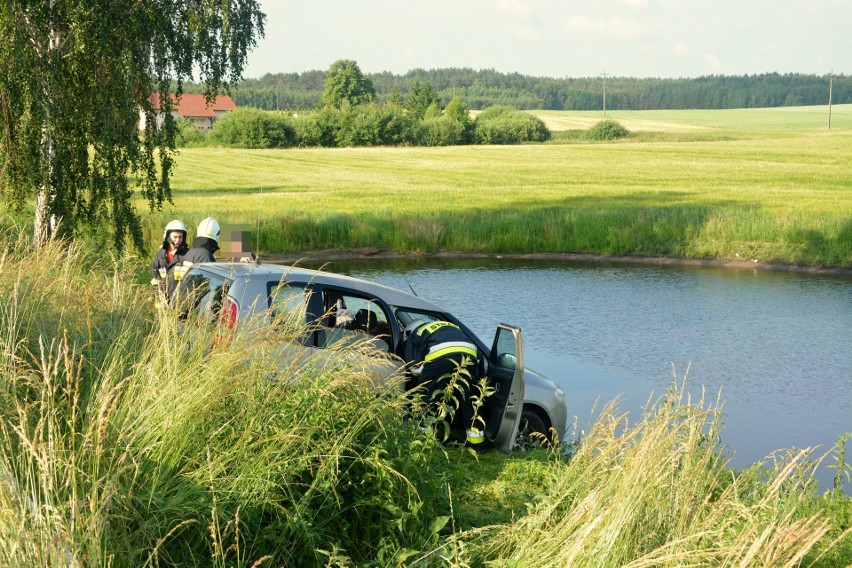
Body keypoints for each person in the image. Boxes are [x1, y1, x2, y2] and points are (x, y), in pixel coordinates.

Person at [402, 319, 485, 449]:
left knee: (425, 398)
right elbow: (480, 361)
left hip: (440, 355)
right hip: (470, 354)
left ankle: (423, 442)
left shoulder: (415, 334)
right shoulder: (448, 325)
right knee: (471, 402)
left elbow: (415, 369)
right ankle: (477, 447)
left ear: (408, 332)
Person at [151, 219, 189, 299]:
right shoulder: (160, 256)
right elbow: (156, 280)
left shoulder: (188, 255)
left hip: (181, 300)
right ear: (168, 236)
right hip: (163, 300)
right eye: (175, 237)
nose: (178, 240)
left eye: (180, 237)